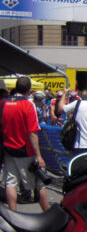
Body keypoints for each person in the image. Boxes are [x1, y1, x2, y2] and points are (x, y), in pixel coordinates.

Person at [1, 76, 50, 211]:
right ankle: (49, 214)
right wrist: (39, 156)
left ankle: (12, 213)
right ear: (29, 90)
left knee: (10, 182)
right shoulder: (28, 105)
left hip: (8, 149)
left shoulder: (3, 103)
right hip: (25, 150)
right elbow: (33, 132)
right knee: (39, 183)